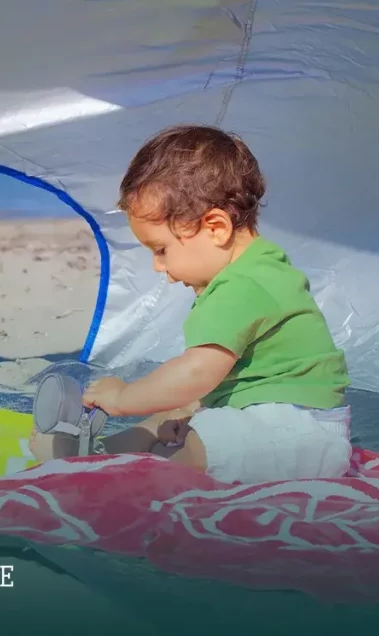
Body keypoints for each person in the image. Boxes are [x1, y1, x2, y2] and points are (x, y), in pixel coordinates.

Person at [29, 125, 353, 484]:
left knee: (187, 447)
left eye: (161, 250)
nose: (159, 267)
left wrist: (123, 398)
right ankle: (101, 453)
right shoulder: (258, 267)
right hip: (284, 425)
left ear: (216, 228)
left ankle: (114, 479)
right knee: (169, 417)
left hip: (298, 432)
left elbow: (198, 372)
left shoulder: (242, 285)